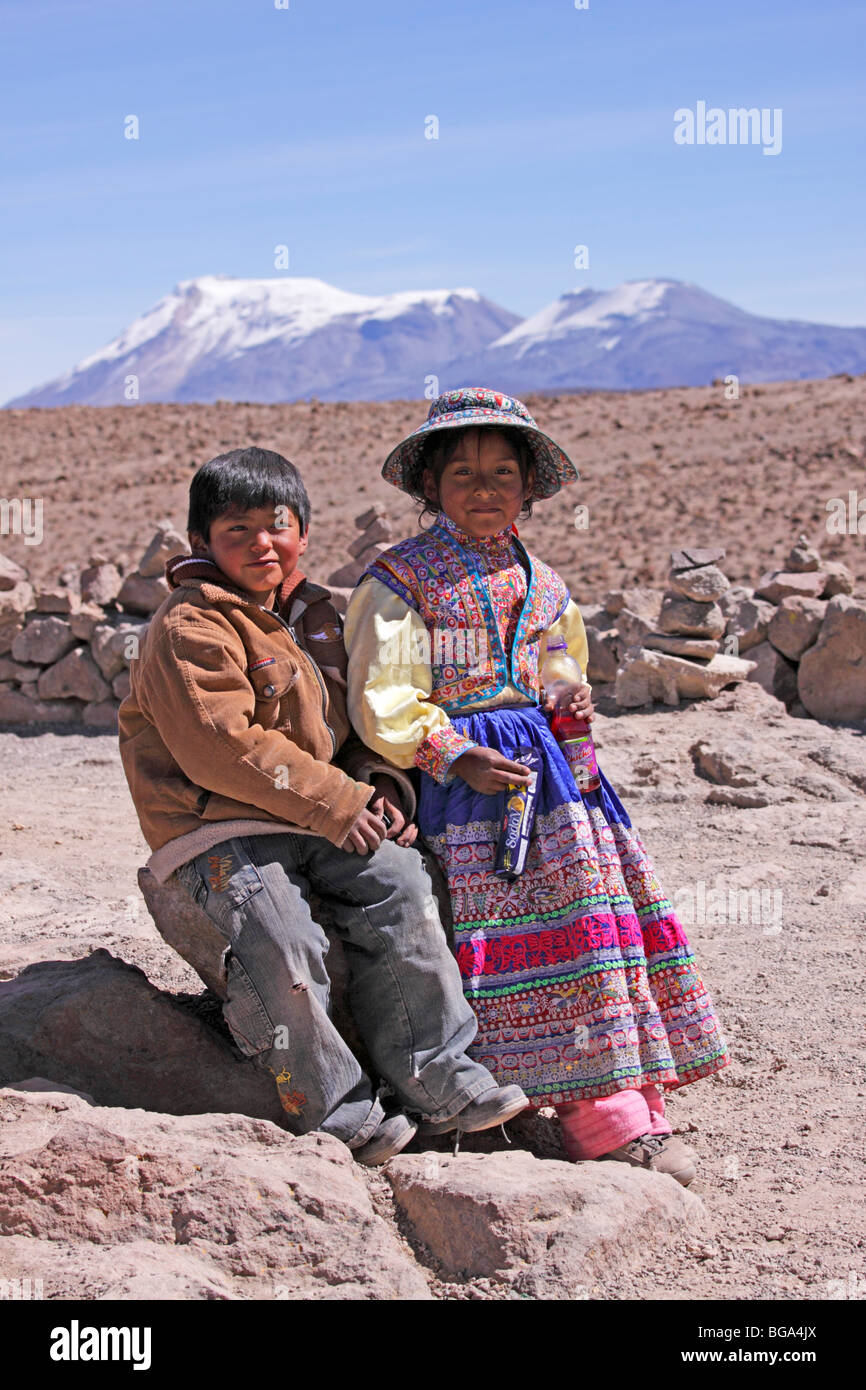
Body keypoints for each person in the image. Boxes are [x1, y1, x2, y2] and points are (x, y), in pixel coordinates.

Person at [344, 388, 729, 1183]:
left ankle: (619, 1111)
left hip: (549, 782)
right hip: (462, 787)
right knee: (490, 938)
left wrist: (566, 697)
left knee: (590, 926)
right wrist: (452, 754)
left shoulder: (545, 582)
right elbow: (384, 695)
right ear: (429, 487)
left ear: (528, 486)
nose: (485, 488)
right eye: (462, 473)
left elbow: (557, 660)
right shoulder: (401, 580)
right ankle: (512, 1112)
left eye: (503, 472)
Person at [117, 446, 527, 1166]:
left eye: (276, 526)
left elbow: (354, 728)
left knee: (405, 887)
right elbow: (221, 746)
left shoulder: (316, 618)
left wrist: (384, 787)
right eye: (235, 529)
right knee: (283, 941)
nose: (260, 544)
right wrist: (341, 799)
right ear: (200, 543)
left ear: (303, 533)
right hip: (216, 826)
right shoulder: (191, 628)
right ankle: (340, 1112)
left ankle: (441, 1080)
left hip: (319, 818)